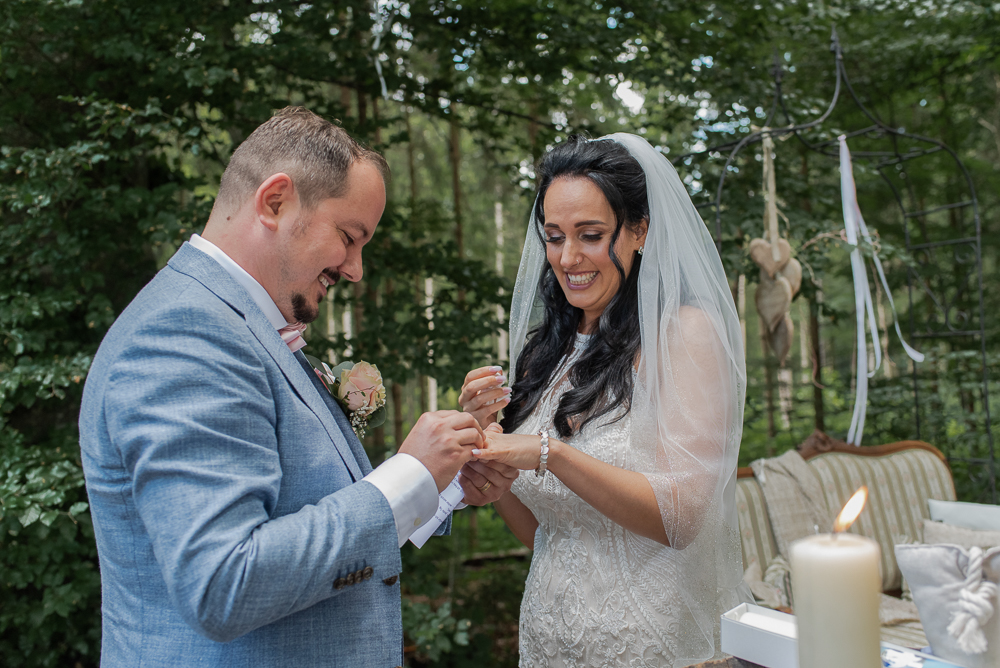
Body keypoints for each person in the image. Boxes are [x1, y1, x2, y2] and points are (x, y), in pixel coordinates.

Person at [79, 106, 514, 667]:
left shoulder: (246, 326)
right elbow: (224, 582)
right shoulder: (185, 333)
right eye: (349, 237)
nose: (356, 269)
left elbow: (312, 515)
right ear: (275, 200)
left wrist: (443, 481)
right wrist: (409, 472)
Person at [459, 134, 751, 667]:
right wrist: (490, 445)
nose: (568, 258)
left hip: (652, 644)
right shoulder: (542, 359)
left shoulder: (684, 335)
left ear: (638, 230)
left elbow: (682, 519)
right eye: (553, 237)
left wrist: (552, 453)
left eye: (590, 235)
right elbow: (544, 533)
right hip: (551, 639)